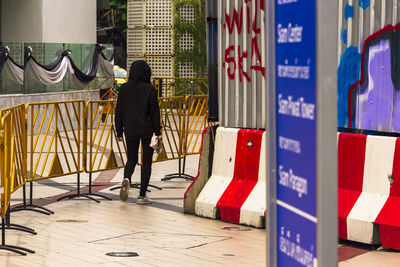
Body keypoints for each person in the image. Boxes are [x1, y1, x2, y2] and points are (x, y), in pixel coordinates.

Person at [115, 60, 162, 205]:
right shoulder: (150, 89)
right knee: (146, 163)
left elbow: (119, 112)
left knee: (131, 159)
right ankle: (142, 196)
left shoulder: (124, 89)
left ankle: (127, 178)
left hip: (130, 130)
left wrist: (119, 131)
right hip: (147, 131)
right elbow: (155, 112)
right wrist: (158, 131)